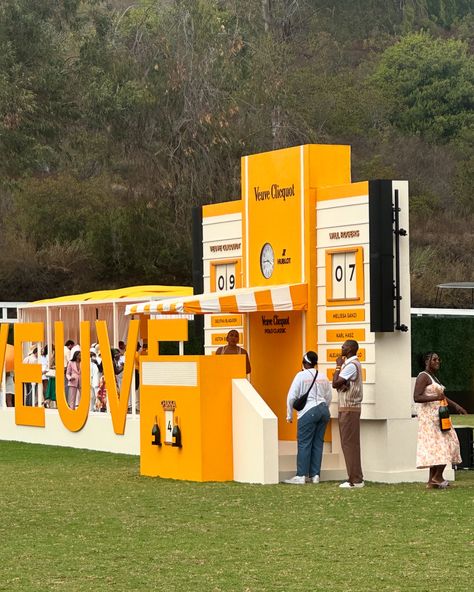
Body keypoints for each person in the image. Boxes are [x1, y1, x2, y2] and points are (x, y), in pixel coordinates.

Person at [414, 352, 467, 488]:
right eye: (434, 359)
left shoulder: (434, 377)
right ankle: (438, 477)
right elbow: (417, 397)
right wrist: (435, 399)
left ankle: (432, 480)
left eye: (438, 359)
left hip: (440, 417)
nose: (438, 361)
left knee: (438, 447)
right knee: (445, 445)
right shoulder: (423, 376)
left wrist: (456, 406)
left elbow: (442, 396)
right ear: (427, 361)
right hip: (429, 419)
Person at [284, 351, 332, 484]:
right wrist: (324, 408)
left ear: (304, 363)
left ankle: (301, 476)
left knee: (304, 443)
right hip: (323, 410)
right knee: (318, 443)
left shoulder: (300, 375)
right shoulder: (323, 376)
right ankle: (315, 475)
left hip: (308, 412)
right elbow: (329, 396)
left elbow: (291, 396)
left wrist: (289, 415)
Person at [332, 339, 364, 489]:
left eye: (344, 346)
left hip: (349, 408)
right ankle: (356, 477)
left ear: (350, 349)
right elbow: (342, 383)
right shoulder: (353, 364)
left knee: (348, 444)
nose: (341, 348)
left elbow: (335, 382)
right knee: (351, 444)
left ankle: (355, 480)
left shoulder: (351, 365)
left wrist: (338, 365)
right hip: (350, 408)